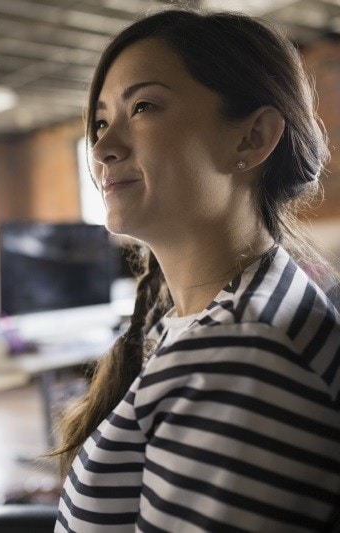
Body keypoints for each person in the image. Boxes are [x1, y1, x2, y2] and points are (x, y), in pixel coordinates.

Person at [53, 9, 340, 532]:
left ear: (251, 138)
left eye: (143, 106)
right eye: (99, 121)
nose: (101, 147)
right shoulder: (203, 314)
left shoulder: (244, 357)